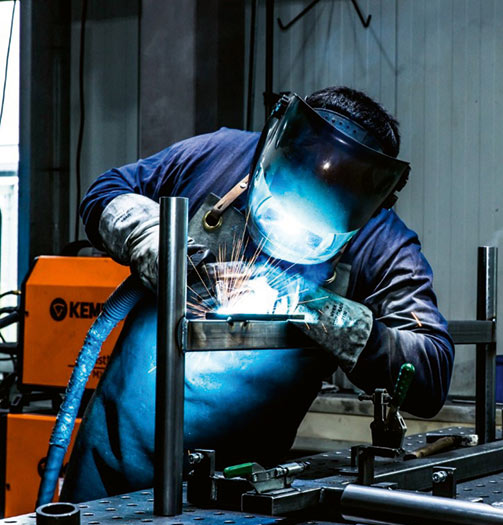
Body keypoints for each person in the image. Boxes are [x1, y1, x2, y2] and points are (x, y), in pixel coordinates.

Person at [60, 86, 454, 502]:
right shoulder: (220, 155)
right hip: (108, 466)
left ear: (372, 197)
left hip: (233, 493)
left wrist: (320, 311)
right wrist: (148, 238)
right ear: (281, 140)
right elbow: (105, 191)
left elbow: (430, 372)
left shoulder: (382, 243)